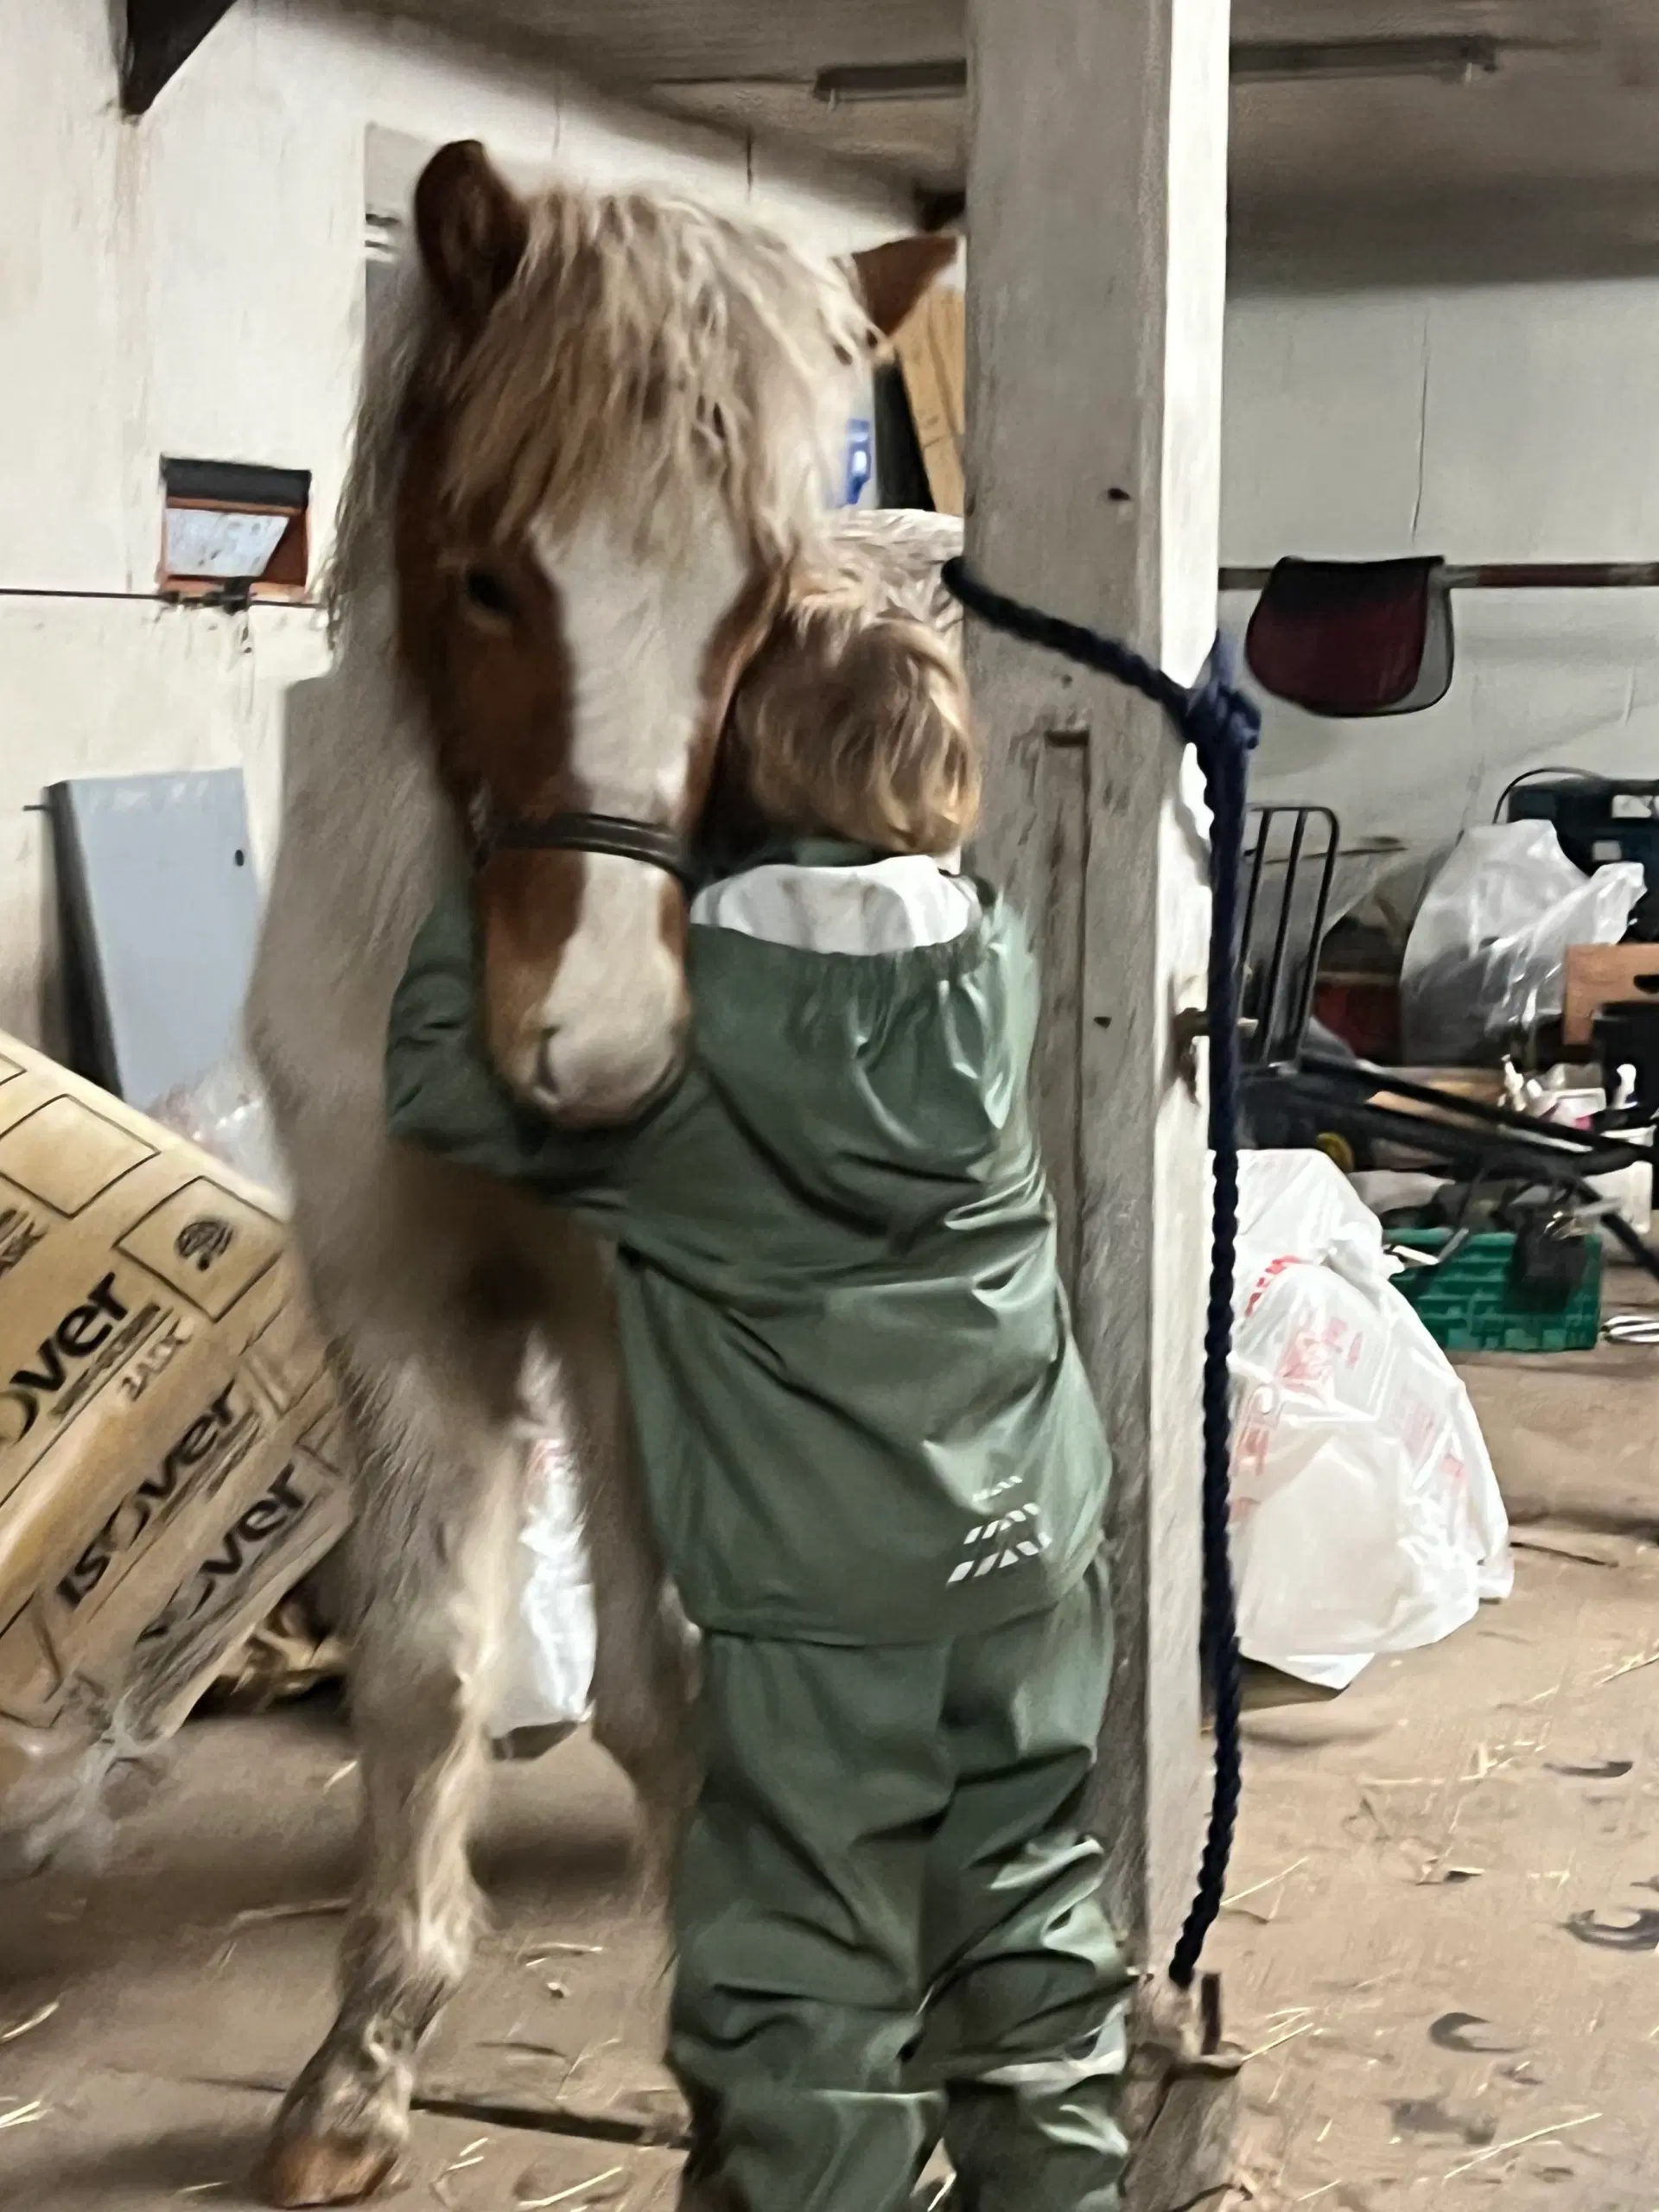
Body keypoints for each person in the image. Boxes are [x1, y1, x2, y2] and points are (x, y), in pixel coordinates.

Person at [383, 591, 1129, 2212]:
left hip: (824, 1592)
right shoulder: (990, 957)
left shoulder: (671, 1052)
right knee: (1026, 1900)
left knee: (810, 1955)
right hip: (1032, 1546)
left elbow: (440, 1078)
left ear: (725, 775)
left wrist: (525, 845)